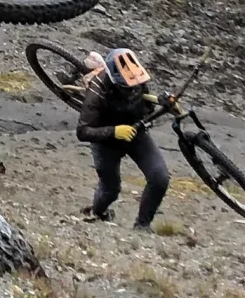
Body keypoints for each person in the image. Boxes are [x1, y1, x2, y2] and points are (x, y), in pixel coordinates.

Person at [72, 47, 171, 228]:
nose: (131, 88)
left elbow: (147, 107)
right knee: (111, 190)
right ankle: (99, 212)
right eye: (125, 86)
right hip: (106, 144)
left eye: (133, 85)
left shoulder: (137, 79)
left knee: (160, 178)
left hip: (135, 135)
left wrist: (162, 103)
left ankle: (142, 226)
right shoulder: (96, 91)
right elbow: (83, 131)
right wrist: (114, 131)